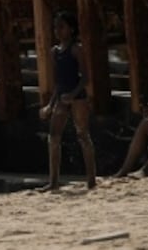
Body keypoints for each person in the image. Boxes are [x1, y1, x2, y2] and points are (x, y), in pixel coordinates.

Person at [39, 10, 96, 191]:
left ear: (71, 29)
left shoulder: (76, 49)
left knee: (83, 135)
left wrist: (73, 94)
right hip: (62, 97)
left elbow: (86, 77)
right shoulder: (55, 52)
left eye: (61, 27)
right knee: (54, 137)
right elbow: (58, 82)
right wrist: (50, 104)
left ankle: (91, 181)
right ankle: (54, 181)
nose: (57, 31)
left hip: (77, 98)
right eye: (56, 27)